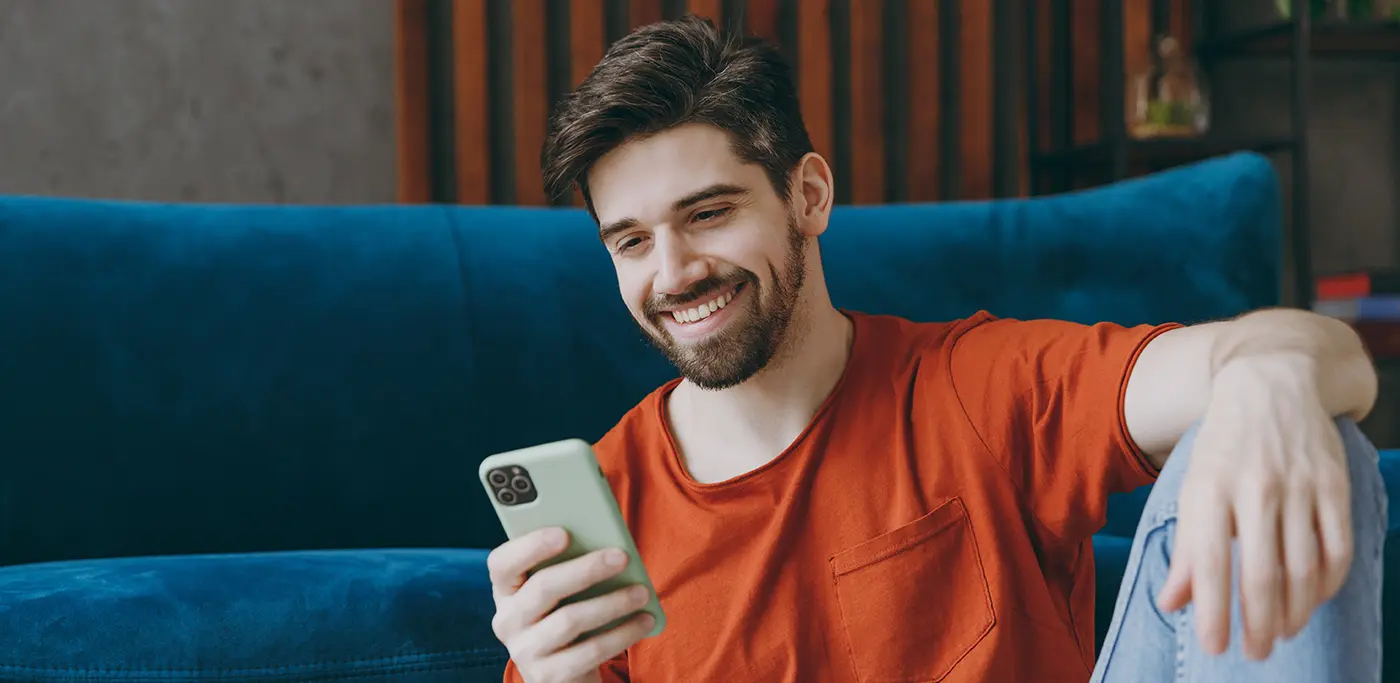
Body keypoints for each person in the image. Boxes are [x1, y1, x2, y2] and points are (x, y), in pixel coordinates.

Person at [487, 15, 1387, 683]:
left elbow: (1323, 355)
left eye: (709, 213)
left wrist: (1270, 385)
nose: (674, 272)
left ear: (808, 196)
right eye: (631, 241)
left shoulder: (972, 384)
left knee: (1312, 431)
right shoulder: (602, 515)